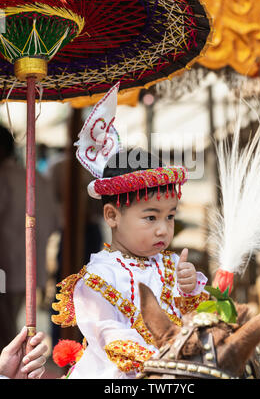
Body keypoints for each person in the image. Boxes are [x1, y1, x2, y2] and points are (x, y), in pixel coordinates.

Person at [52, 83, 208, 379]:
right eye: (151, 218)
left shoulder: (171, 267)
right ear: (112, 215)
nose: (164, 229)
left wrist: (189, 291)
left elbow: (192, 320)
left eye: (171, 216)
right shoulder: (99, 278)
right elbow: (112, 336)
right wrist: (169, 358)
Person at [0, 125, 58, 351]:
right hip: (30, 267)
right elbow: (55, 222)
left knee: (5, 331)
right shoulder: (36, 178)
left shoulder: (5, 177)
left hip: (6, 266)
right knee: (11, 326)